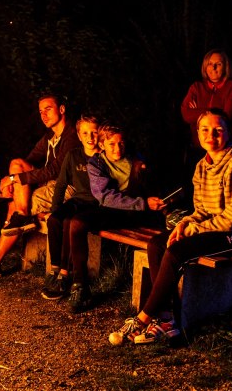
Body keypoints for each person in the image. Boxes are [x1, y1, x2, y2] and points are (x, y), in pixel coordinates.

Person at [109, 109, 232, 345]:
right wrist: (186, 223)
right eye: (205, 129)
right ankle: (166, 321)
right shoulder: (202, 166)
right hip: (219, 229)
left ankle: (144, 317)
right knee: (157, 243)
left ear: (229, 132)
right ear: (197, 133)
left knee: (178, 251)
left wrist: (192, 230)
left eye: (218, 129)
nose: (211, 134)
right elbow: (202, 211)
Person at [0, 94, 79, 281]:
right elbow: (30, 159)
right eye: (41, 111)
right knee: (16, 164)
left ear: (62, 109)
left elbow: (56, 170)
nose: (44, 115)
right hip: (50, 183)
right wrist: (11, 178)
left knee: (13, 206)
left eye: (48, 109)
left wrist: (15, 179)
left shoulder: (72, 135)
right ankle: (23, 216)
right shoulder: (50, 135)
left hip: (67, 187)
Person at [64, 124, 167, 311]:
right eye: (111, 144)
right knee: (77, 223)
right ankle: (80, 285)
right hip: (113, 209)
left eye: (121, 143)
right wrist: (142, 203)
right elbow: (105, 197)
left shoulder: (136, 160)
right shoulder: (96, 164)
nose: (117, 148)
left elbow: (152, 188)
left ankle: (159, 298)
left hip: (138, 213)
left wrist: (148, 184)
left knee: (160, 230)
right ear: (102, 145)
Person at [39, 115, 100, 301]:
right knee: (55, 219)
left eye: (94, 132)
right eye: (85, 133)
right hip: (78, 199)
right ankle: (56, 268)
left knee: (69, 222)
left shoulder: (104, 156)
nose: (90, 137)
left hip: (96, 203)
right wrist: (55, 209)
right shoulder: (73, 155)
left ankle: (66, 276)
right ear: (79, 136)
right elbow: (61, 184)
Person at [181, 50, 232, 172]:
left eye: (218, 64)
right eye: (209, 63)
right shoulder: (197, 87)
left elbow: (226, 116)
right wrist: (215, 111)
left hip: (223, 150)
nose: (213, 67)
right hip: (198, 148)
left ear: (225, 67)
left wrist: (198, 111)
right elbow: (186, 114)